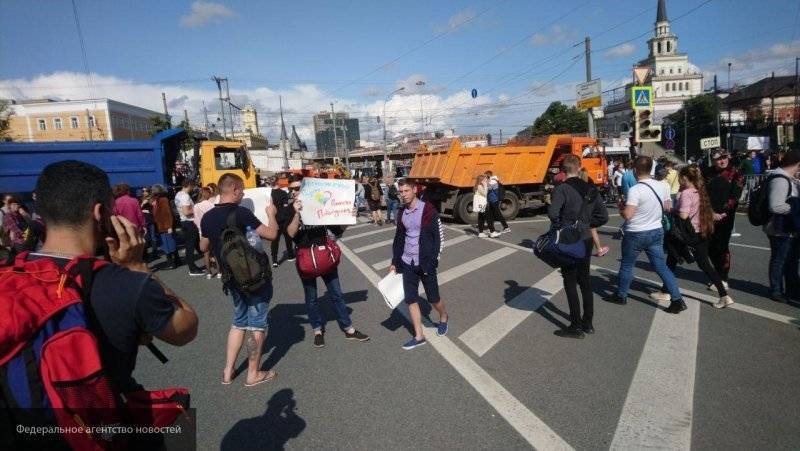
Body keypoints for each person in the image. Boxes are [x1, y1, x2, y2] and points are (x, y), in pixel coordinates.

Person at [22, 160, 198, 392]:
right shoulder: (125, 284)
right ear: (100, 212)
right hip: (107, 418)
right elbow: (186, 328)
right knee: (178, 421)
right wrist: (137, 266)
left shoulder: (11, 274)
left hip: (23, 421)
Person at [200, 173, 279, 387]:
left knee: (238, 322)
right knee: (257, 325)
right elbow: (271, 234)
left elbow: (203, 247)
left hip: (230, 279)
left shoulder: (207, 217)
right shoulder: (242, 213)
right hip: (254, 278)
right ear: (233, 189)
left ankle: (228, 371)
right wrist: (271, 214)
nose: (243, 193)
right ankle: (253, 374)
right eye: (241, 189)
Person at [285, 176, 370, 348]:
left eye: (297, 188)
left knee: (337, 294)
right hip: (306, 259)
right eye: (291, 189)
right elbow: (291, 233)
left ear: (305, 188)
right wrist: (296, 212)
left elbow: (337, 230)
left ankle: (349, 329)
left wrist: (348, 218)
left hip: (325, 256)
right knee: (311, 297)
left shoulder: (319, 203)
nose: (294, 192)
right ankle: (317, 329)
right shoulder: (289, 209)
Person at [605, 156, 687, 313]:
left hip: (636, 232)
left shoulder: (636, 190)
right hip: (656, 230)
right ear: (651, 169)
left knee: (627, 265)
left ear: (635, 170)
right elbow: (668, 207)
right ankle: (677, 299)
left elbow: (628, 215)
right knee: (661, 266)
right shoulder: (662, 185)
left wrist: (621, 208)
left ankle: (621, 295)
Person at [655, 165, 735, 308]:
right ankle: (724, 295)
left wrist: (671, 209)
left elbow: (684, 215)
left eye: (680, 177)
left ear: (685, 178)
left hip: (687, 235)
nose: (678, 179)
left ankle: (666, 291)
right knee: (704, 265)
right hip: (701, 232)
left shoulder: (686, 193)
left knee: (671, 260)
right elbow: (705, 210)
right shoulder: (699, 190)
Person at [549, 155, 609, 338]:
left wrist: (563, 224)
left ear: (562, 170)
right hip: (586, 239)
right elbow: (604, 216)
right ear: (579, 167)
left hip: (569, 239)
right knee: (585, 280)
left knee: (570, 282)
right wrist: (588, 224)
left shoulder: (562, 189)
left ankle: (575, 325)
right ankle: (588, 323)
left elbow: (553, 213)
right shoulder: (591, 188)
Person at [389, 179, 449, 350]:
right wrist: (395, 261)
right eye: (401, 192)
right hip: (407, 262)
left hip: (426, 263)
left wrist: (434, 260)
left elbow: (439, 238)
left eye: (406, 191)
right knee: (411, 299)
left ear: (415, 190)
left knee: (433, 298)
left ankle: (443, 316)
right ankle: (419, 335)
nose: (403, 195)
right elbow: (399, 238)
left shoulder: (428, 210)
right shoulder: (401, 212)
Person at [702, 150, 744, 291]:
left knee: (722, 247)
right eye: (719, 159)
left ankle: (723, 277)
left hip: (726, 217)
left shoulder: (735, 173)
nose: (722, 161)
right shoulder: (707, 173)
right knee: (709, 247)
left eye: (724, 157)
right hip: (708, 215)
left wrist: (723, 212)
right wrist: (710, 211)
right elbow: (702, 193)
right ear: (713, 161)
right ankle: (716, 274)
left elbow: (735, 196)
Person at [764, 150, 800, 303]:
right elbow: (776, 206)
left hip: (788, 227)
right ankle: (776, 290)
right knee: (780, 260)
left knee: (791, 260)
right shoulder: (780, 179)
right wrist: (795, 209)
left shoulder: (788, 178)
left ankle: (792, 289)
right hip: (779, 228)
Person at [175, 180, 204, 276]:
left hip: (185, 222)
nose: (193, 189)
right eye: (193, 186)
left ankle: (208, 260)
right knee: (190, 246)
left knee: (194, 244)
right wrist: (196, 208)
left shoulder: (178, 194)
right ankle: (192, 269)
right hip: (189, 222)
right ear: (189, 185)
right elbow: (186, 212)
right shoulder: (185, 196)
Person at [579, 168, 609, 257]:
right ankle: (599, 249)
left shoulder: (580, 185)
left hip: (589, 211)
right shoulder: (591, 184)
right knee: (592, 228)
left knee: (587, 228)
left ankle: (596, 248)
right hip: (597, 212)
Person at [193, 186, 220, 279]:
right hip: (212, 229)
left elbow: (195, 220)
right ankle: (219, 272)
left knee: (206, 253)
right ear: (208, 194)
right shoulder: (211, 205)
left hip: (202, 231)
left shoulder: (196, 206)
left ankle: (208, 273)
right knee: (215, 251)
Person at [151, 184, 179, 269]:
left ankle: (171, 263)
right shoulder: (159, 199)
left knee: (168, 244)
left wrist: (169, 226)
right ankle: (176, 261)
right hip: (162, 225)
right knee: (170, 243)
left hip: (165, 226)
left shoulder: (162, 200)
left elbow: (167, 214)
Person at [271, 181, 296, 267]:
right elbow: (285, 205)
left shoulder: (269, 193)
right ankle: (290, 255)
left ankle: (274, 260)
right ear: (278, 184)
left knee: (274, 240)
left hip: (274, 219)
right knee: (288, 238)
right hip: (284, 218)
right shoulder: (283, 193)